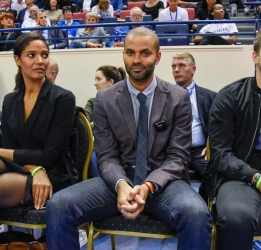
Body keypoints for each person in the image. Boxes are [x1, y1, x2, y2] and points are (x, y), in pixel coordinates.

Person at [46, 26, 212, 250]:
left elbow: (178, 157)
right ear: (123, 54)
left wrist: (148, 186)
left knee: (197, 214)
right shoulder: (105, 99)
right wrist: (122, 184)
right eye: (130, 52)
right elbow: (105, 156)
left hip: (164, 183)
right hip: (117, 181)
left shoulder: (178, 98)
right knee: (59, 204)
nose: (137, 59)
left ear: (157, 56)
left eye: (145, 53)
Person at [201, 21, 261, 250]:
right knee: (235, 219)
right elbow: (221, 155)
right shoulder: (230, 97)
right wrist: (258, 178)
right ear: (255, 56)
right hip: (242, 180)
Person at [0, 32, 77, 211]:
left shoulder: (63, 98)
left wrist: (3, 151)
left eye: (44, 55)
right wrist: (35, 169)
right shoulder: (10, 100)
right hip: (26, 167)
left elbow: (51, 155)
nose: (40, 61)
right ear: (17, 60)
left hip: (55, 172)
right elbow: (11, 147)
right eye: (31, 55)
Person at [172, 52, 216, 180]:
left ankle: (206, 199)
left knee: (212, 175)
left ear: (193, 69)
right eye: (173, 66)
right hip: (173, 151)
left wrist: (212, 146)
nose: (176, 70)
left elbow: (219, 126)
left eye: (181, 65)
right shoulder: (164, 96)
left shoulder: (210, 96)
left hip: (199, 151)